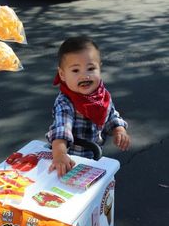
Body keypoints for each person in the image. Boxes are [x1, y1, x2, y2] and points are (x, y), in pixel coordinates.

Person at [46, 35, 131, 177]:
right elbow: (61, 129)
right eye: (75, 70)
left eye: (91, 68)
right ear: (62, 74)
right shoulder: (66, 101)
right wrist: (60, 155)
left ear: (100, 68)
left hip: (92, 158)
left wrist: (119, 130)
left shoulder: (102, 95)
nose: (85, 76)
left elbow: (111, 115)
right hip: (70, 160)